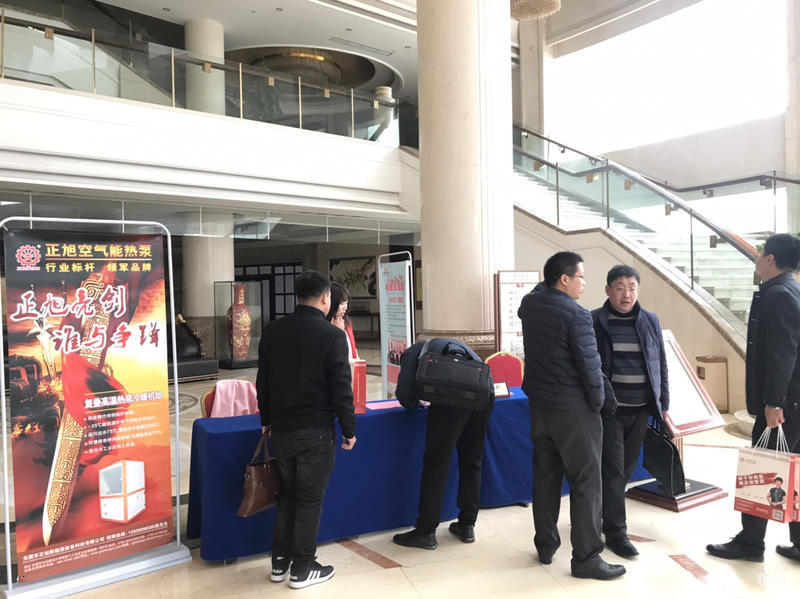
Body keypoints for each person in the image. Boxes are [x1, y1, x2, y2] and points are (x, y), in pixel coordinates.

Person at [517, 251, 625, 580]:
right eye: (580, 277)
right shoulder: (577, 315)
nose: (584, 283)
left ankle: (546, 544)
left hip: (541, 408)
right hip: (574, 411)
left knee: (545, 478)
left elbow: (538, 292)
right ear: (564, 279)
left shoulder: (530, 305)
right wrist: (601, 404)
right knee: (586, 483)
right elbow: (590, 367)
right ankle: (587, 557)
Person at [256, 270, 357, 589]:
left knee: (288, 495)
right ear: (326, 298)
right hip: (316, 431)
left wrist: (266, 420)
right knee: (309, 500)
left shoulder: (274, 331)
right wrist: (349, 429)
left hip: (282, 430)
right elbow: (341, 389)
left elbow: (263, 381)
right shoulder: (331, 336)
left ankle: (280, 563)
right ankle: (302, 568)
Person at [707, 233, 800, 564]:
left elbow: (782, 353)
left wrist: (774, 402)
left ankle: (750, 544)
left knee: (764, 470)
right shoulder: (791, 289)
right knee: (793, 471)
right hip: (794, 401)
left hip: (784, 405)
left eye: (760, 254)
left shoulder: (779, 295)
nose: (757, 259)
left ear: (770, 259)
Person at [592, 265, 669, 558]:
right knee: (613, 470)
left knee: (624, 470)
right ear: (608, 290)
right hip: (610, 410)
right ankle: (616, 533)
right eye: (620, 288)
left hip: (641, 409)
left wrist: (663, 404)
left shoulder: (650, 320)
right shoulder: (594, 321)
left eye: (632, 288)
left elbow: (660, 363)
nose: (627, 294)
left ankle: (602, 512)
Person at [392, 338, 495, 549]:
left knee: (436, 463)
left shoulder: (412, 353)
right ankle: (467, 525)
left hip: (452, 398)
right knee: (472, 460)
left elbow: (404, 394)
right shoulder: (451, 347)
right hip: (484, 394)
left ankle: (426, 531)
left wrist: (415, 403)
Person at [326, 281, 359, 360]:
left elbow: (353, 348)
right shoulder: (324, 324)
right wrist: (337, 332)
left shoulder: (347, 321)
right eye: (341, 303)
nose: (345, 307)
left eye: (346, 303)